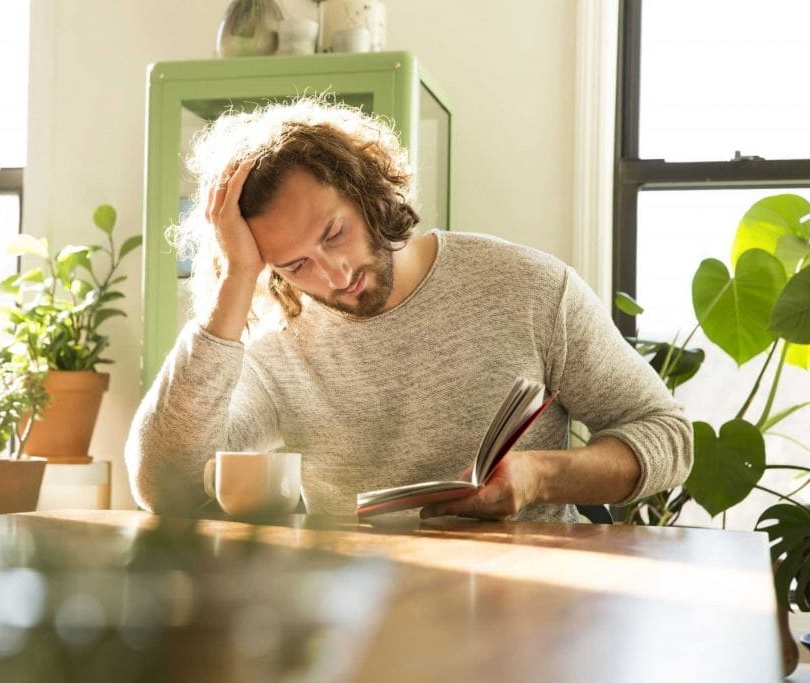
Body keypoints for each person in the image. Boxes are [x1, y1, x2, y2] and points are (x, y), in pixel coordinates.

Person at [126, 98, 692, 522]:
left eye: (333, 233)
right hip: (355, 619)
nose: (334, 275)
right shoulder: (278, 343)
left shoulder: (528, 288)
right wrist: (237, 279)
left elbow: (668, 436)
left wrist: (541, 476)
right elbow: (163, 485)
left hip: (524, 607)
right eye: (294, 265)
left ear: (368, 191)